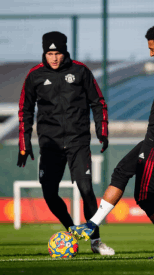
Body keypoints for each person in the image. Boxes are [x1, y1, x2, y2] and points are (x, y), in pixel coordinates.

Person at [69, 23, 154, 259]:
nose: (151, 53)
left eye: (153, 48)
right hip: (152, 139)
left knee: (144, 195)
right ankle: (91, 226)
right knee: (120, 173)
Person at [17, 31, 115, 256]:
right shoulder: (34, 75)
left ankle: (96, 241)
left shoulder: (81, 71)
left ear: (65, 52)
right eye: (50, 53)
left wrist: (102, 130)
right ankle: (72, 231)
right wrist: (25, 142)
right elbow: (25, 109)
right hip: (49, 144)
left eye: (57, 53)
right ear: (45, 53)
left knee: (86, 189)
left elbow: (98, 102)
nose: (53, 58)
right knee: (49, 193)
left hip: (77, 141)